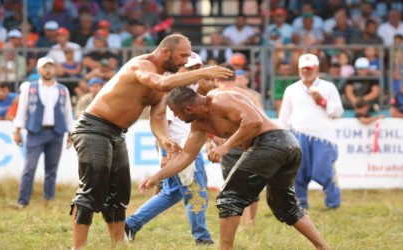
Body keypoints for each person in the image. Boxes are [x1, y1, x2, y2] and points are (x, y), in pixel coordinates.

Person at [69, 34, 233, 249]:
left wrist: (164, 139)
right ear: (166, 51)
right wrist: (205, 71)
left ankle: (118, 245)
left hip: (117, 133)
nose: (185, 61)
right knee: (93, 190)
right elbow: (161, 83)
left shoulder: (165, 82)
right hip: (93, 129)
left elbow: (157, 117)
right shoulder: (141, 66)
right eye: (182, 56)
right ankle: (77, 247)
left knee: (119, 194)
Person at [139, 86, 329, 250]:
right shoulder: (200, 124)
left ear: (188, 108)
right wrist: (157, 177)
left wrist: (225, 146)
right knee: (284, 205)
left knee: (228, 197)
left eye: (176, 113)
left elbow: (253, 120)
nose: (177, 117)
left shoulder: (220, 98)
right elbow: (187, 156)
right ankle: (323, 246)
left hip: (274, 141)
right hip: (285, 147)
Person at [124, 52, 214, 245]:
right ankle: (203, 239)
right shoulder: (173, 95)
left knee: (171, 193)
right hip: (181, 150)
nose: (196, 73)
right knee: (197, 193)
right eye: (191, 69)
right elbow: (163, 126)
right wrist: (165, 154)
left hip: (183, 148)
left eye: (198, 69)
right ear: (179, 69)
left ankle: (131, 224)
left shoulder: (188, 90)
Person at [278, 54, 344, 210]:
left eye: (309, 69)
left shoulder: (328, 87)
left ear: (317, 69)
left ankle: (333, 203)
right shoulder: (292, 89)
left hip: (323, 136)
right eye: (303, 69)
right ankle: (300, 204)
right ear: (299, 70)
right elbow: (284, 115)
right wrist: (284, 135)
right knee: (299, 172)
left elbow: (338, 112)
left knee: (324, 170)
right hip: (298, 134)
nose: (306, 72)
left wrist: (322, 102)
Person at [13, 57, 74, 208]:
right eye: (45, 67)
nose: (48, 70)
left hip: (56, 132)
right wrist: (17, 130)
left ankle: (48, 199)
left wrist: (70, 133)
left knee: (51, 169)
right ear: (39, 70)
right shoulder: (30, 87)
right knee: (29, 168)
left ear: (54, 69)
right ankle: (23, 201)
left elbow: (67, 112)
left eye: (51, 67)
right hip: (36, 132)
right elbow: (22, 110)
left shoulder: (62, 89)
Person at [210, 63, 263, 228]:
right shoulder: (247, 95)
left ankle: (244, 224)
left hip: (228, 143)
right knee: (252, 183)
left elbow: (204, 122)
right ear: (234, 77)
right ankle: (250, 222)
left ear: (217, 79)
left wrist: (209, 140)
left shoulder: (212, 94)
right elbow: (261, 119)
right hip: (251, 142)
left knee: (234, 186)